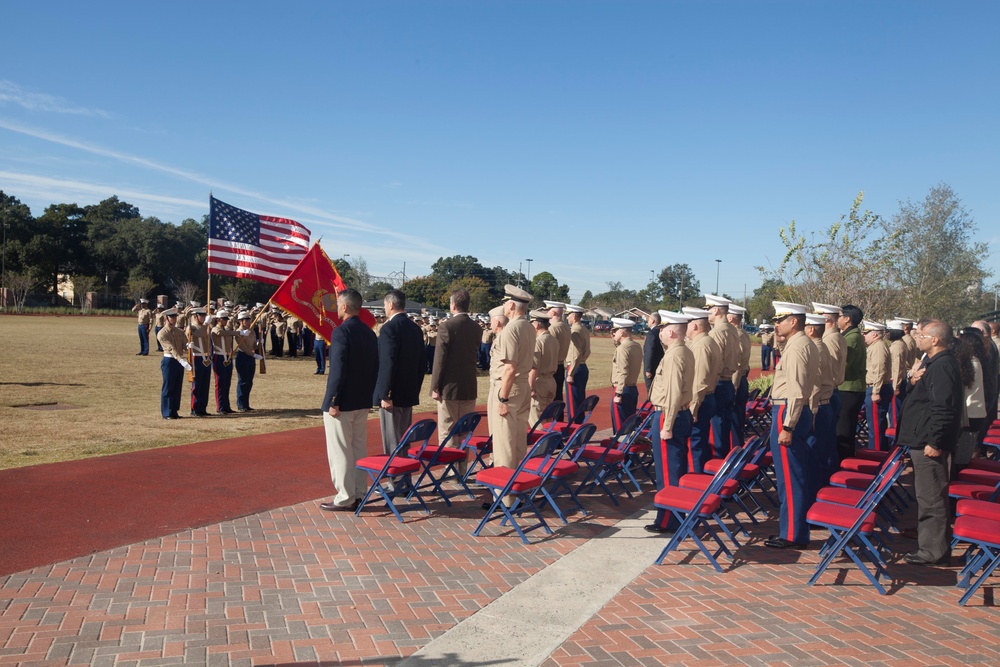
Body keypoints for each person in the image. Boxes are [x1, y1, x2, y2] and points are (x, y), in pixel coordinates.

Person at [898, 319, 963, 566]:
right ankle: (934, 546)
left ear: (935, 340)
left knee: (931, 496)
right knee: (927, 494)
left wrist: (935, 441)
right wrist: (912, 381)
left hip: (928, 441)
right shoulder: (932, 362)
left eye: (922, 334)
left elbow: (943, 407)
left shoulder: (942, 365)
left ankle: (932, 550)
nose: (917, 337)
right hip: (921, 437)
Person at [319, 289, 378, 512]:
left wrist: (333, 399)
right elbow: (374, 368)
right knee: (358, 448)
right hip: (362, 400)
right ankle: (359, 492)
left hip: (343, 402)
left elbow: (338, 369)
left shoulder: (342, 332)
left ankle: (345, 496)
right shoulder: (369, 333)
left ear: (344, 306)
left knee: (341, 450)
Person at [765, 301, 818, 549]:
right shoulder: (799, 344)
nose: (776, 325)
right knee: (794, 474)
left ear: (793, 321)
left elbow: (796, 392)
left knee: (790, 476)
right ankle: (794, 530)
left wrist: (787, 426)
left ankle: (792, 534)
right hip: (793, 410)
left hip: (789, 410)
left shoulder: (797, 347)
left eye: (780, 320)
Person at [645, 311, 695, 534]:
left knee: (667, 472)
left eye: (662, 329)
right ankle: (672, 516)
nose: (660, 334)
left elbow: (674, 393)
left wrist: (667, 426)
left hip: (669, 414)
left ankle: (668, 520)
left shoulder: (675, 355)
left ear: (671, 331)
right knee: (673, 468)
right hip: (676, 413)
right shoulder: (683, 351)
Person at [487, 286, 536, 507]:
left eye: (506, 302)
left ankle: (504, 498)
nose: (505, 306)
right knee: (517, 442)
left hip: (509, 387)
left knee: (504, 444)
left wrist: (503, 399)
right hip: (523, 386)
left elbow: (509, 368)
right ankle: (516, 490)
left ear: (512, 305)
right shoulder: (528, 327)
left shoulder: (511, 329)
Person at [373, 289, 425, 455]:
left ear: (391, 304)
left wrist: (386, 394)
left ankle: (396, 479)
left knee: (392, 440)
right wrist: (414, 388)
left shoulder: (389, 328)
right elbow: (422, 364)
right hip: (408, 391)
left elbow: (388, 363)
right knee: (404, 438)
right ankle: (404, 476)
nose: (384, 308)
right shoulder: (415, 328)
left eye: (384, 305)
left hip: (393, 394)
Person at [430, 289, 482, 451]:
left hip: (449, 387)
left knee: (448, 431)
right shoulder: (476, 328)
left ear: (453, 305)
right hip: (468, 386)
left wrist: (435, 386)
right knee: (464, 431)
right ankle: (461, 469)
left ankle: (451, 470)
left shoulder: (447, 326)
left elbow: (440, 360)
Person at [682, 306, 721, 474]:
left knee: (694, 445)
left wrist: (693, 408)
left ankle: (695, 483)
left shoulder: (701, 345)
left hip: (699, 400)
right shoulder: (708, 341)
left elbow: (699, 381)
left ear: (694, 326)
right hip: (706, 397)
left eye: (687, 323)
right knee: (700, 443)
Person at [705, 294, 741, 459]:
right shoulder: (732, 330)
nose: (707, 313)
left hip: (718, 383)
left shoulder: (717, 332)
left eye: (709, 309)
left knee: (716, 432)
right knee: (724, 429)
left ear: (717, 310)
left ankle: (719, 469)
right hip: (727, 383)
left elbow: (715, 363)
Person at [805, 313, 837, 484]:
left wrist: (812, 412)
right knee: (821, 451)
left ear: (810, 330)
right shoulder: (821, 346)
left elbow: (814, 386)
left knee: (814, 455)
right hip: (824, 404)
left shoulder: (815, 349)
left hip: (817, 405)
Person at [835, 304, 866, 462]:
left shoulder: (851, 338)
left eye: (839, 316)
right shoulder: (850, 336)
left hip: (849, 389)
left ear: (847, 319)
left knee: (844, 431)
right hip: (849, 389)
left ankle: (844, 464)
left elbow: (843, 367)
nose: (837, 319)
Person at [955, 328, 988, 470]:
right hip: (974, 413)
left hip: (970, 414)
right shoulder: (976, 361)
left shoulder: (971, 363)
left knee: (961, 457)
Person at [813, 303, 847, 427]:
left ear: (826, 318)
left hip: (828, 393)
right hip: (832, 392)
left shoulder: (829, 339)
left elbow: (829, 370)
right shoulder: (837, 336)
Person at [156, 308, 191, 420]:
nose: (175, 319)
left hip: (179, 361)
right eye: (172, 317)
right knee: (168, 386)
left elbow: (185, 342)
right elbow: (170, 348)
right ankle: (167, 412)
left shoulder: (179, 332)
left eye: (175, 317)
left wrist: (189, 346)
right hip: (170, 360)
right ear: (167, 319)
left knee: (177, 386)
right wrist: (180, 359)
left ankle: (174, 410)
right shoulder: (162, 333)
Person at [862, 321, 892, 451]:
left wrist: (876, 391)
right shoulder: (876, 346)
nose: (864, 335)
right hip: (875, 387)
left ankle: (876, 454)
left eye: (866, 333)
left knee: (875, 426)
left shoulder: (878, 347)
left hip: (876, 388)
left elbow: (879, 370)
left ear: (874, 334)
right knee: (876, 425)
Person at [609, 317, 642, 431]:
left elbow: (623, 372)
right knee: (629, 424)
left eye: (615, 331)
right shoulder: (636, 345)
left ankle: (620, 448)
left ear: (622, 332)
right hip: (632, 388)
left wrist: (618, 393)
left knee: (620, 428)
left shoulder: (622, 348)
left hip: (622, 389)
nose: (613, 333)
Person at [528, 309, 559, 425]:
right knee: (548, 418)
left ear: (536, 325)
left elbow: (534, 367)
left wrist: (530, 387)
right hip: (551, 380)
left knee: (536, 419)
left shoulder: (538, 341)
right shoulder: (554, 340)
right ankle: (550, 441)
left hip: (539, 382)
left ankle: (543, 443)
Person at [727, 304, 752, 449]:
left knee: (734, 423)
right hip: (741, 379)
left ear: (730, 318)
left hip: (736, 380)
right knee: (737, 420)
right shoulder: (743, 333)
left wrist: (734, 387)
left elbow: (736, 363)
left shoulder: (737, 335)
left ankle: (736, 453)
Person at [564, 305, 591, 420]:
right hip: (582, 366)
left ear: (574, 316)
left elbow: (576, 353)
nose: (567, 318)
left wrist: (571, 373)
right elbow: (587, 351)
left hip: (574, 368)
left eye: (568, 315)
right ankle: (579, 428)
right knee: (579, 401)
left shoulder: (574, 331)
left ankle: (573, 431)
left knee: (573, 404)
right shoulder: (583, 329)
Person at [186, 307, 212, 417]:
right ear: (196, 317)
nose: (204, 318)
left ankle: (202, 407)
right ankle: (195, 408)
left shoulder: (206, 327)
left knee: (205, 384)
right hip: (196, 357)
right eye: (201, 316)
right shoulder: (191, 327)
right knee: (197, 384)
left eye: (204, 316)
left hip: (205, 357)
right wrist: (206, 324)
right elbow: (197, 335)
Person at [234, 310, 262, 412]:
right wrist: (254, 354)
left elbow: (253, 345)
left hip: (250, 357)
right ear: (240, 321)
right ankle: (241, 404)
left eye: (249, 319)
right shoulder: (238, 332)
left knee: (249, 381)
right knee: (243, 381)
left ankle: (246, 403)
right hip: (242, 356)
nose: (248, 321)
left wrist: (259, 343)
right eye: (246, 320)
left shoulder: (251, 331)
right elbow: (243, 347)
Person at [210, 309, 237, 414]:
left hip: (227, 356)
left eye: (226, 319)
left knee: (227, 383)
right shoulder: (215, 329)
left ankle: (226, 406)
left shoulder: (227, 330)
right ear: (219, 319)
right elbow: (220, 333)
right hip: (219, 357)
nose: (226, 321)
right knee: (220, 382)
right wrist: (238, 332)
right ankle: (220, 406)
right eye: (224, 319)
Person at [545, 301, 570, 404]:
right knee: (558, 397)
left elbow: (549, 350)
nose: (546, 313)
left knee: (550, 399)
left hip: (551, 366)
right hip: (560, 365)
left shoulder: (553, 328)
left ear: (553, 313)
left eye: (547, 310)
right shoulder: (565, 326)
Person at [886, 320, 908, 429]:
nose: (886, 333)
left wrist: (895, 386)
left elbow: (897, 367)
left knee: (895, 414)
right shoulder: (898, 344)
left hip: (896, 381)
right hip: (898, 380)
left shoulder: (897, 346)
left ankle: (895, 441)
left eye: (888, 331)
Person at [643, 311, 664, 396]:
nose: (648, 322)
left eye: (649, 320)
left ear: (653, 321)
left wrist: (648, 369)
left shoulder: (651, 334)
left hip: (652, 366)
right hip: (660, 364)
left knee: (651, 389)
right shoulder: (661, 332)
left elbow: (649, 351)